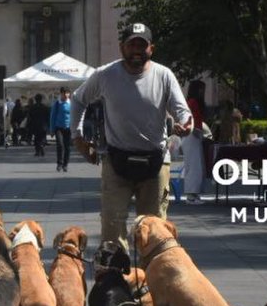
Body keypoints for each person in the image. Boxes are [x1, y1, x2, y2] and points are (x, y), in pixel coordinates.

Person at [70, 23, 192, 251]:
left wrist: (186, 123)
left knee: (155, 230)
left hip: (155, 162)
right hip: (116, 161)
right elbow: (78, 99)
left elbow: (182, 110)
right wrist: (78, 138)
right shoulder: (105, 75)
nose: (136, 49)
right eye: (131, 44)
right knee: (112, 227)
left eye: (142, 45)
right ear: (121, 47)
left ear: (151, 49)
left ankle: (151, 282)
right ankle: (115, 278)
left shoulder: (164, 75)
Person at [181, 80, 207, 204]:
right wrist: (197, 130)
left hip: (193, 135)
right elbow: (193, 119)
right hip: (192, 135)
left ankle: (194, 194)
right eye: (201, 89)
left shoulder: (191, 102)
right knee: (194, 166)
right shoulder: (193, 102)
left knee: (196, 165)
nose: (203, 92)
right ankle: (191, 195)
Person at [51, 87, 73, 172]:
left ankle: (65, 165)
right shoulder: (57, 103)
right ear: (61, 94)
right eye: (65, 93)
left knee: (67, 147)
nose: (67, 95)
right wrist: (52, 129)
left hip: (68, 128)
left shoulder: (71, 103)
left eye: (68, 93)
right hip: (58, 127)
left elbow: (74, 116)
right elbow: (52, 117)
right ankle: (59, 163)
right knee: (60, 145)